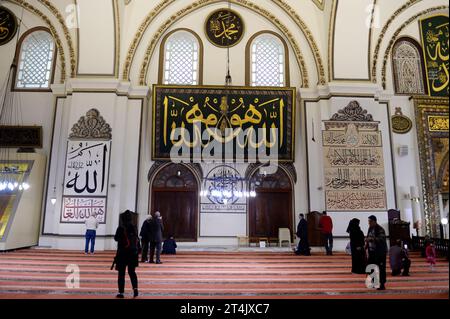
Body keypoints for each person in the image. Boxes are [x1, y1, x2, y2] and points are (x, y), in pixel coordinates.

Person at [114, 211, 139, 298]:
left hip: (122, 253)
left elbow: (116, 238)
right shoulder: (134, 227)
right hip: (133, 253)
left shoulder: (121, 228)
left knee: (121, 273)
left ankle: (121, 292)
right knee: (132, 272)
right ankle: (135, 289)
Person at [365, 215, 388, 290]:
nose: (369, 223)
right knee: (371, 267)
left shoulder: (380, 229)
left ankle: (382, 284)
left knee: (381, 268)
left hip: (380, 252)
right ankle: (375, 282)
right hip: (372, 252)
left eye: (370, 221)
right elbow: (368, 238)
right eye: (368, 221)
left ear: (374, 221)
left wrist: (371, 239)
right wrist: (365, 246)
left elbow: (381, 239)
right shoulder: (370, 228)